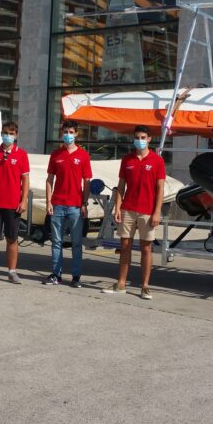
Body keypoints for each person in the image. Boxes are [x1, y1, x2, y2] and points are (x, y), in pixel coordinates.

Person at [104, 125, 165, 300]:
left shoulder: (157, 161)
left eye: (143, 137)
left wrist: (157, 212)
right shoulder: (127, 160)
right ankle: (121, 284)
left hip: (147, 211)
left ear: (149, 139)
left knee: (146, 248)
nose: (140, 140)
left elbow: (160, 188)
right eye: (137, 137)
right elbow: (121, 186)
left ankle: (145, 286)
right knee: (124, 246)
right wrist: (117, 207)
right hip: (128, 209)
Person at [43, 120, 92, 288]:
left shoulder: (83, 155)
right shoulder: (56, 155)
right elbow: (49, 179)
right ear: (61, 133)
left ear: (76, 134)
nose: (68, 135)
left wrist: (84, 203)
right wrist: (49, 201)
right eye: (65, 132)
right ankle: (56, 275)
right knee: (56, 242)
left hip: (75, 206)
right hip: (57, 204)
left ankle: (76, 277)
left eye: (71, 132)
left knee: (76, 244)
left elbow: (87, 181)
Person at [0, 121, 30, 284]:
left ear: (16, 135)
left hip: (13, 204)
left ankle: (12, 272)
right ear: (1, 134)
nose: (8, 136)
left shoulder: (22, 154)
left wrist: (24, 200)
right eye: (5, 133)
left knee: (12, 239)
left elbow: (25, 179)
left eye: (11, 133)